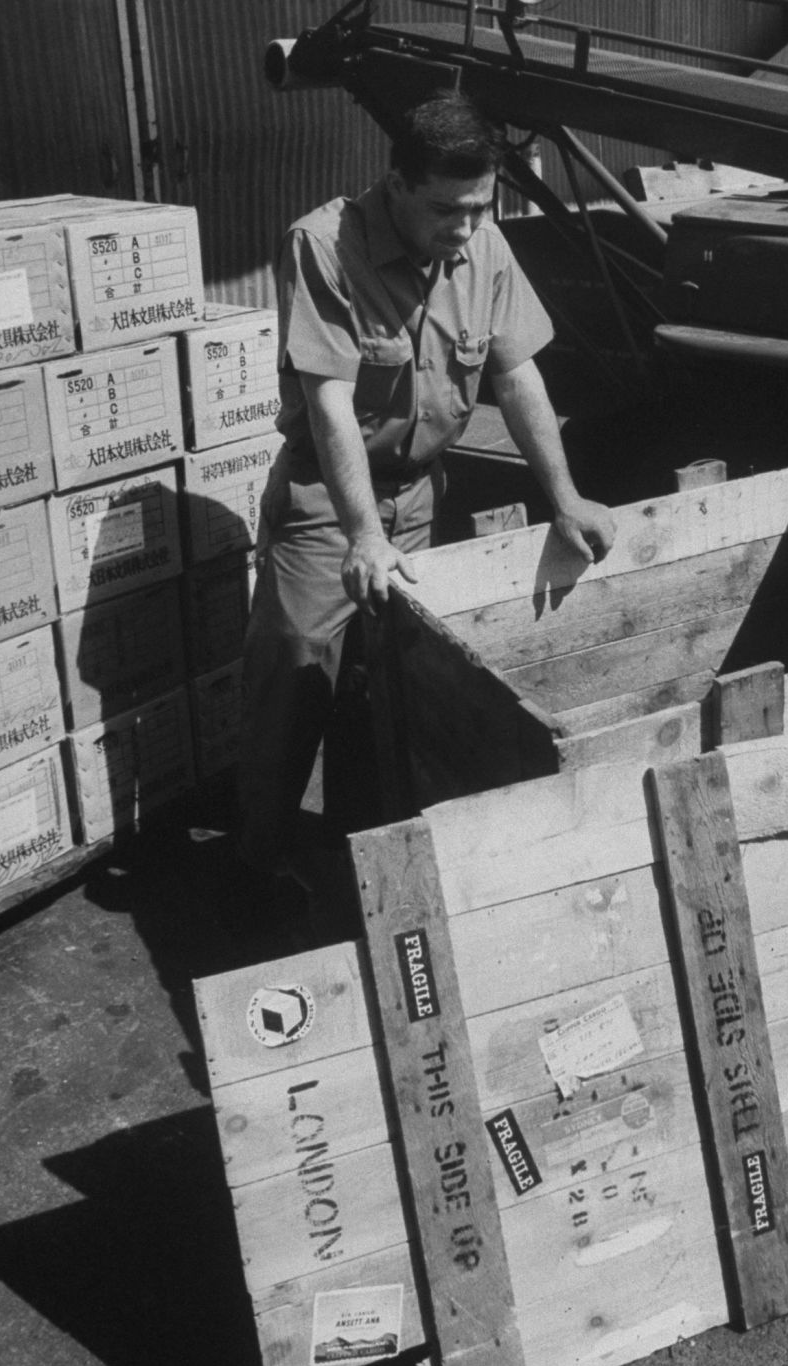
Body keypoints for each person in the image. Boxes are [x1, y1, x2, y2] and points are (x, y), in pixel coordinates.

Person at [237, 89, 616, 883]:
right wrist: (361, 534)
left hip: (417, 495)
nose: (467, 228)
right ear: (397, 184)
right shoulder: (324, 246)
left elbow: (517, 376)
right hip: (325, 499)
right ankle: (257, 862)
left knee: (388, 684)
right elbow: (331, 403)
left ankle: (354, 855)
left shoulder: (485, 249)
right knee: (299, 670)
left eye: (481, 206)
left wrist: (566, 497)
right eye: (448, 209)